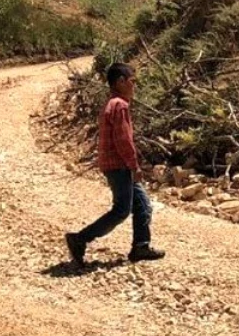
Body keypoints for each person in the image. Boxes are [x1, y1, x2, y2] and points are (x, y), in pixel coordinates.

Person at [65, 63, 165, 266]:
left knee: (143, 204)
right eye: (131, 81)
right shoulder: (120, 105)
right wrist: (134, 166)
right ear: (120, 81)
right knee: (121, 210)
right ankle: (80, 239)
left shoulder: (111, 103)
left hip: (114, 164)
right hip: (119, 166)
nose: (133, 86)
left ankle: (141, 246)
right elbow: (123, 140)